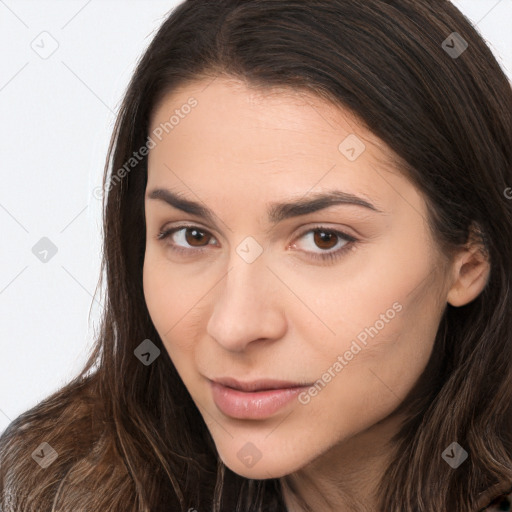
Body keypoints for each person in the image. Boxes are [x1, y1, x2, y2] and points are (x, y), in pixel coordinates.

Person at [1, 1, 511, 510]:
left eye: (323, 239)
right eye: (192, 236)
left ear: (469, 258)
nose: (234, 326)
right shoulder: (55, 490)